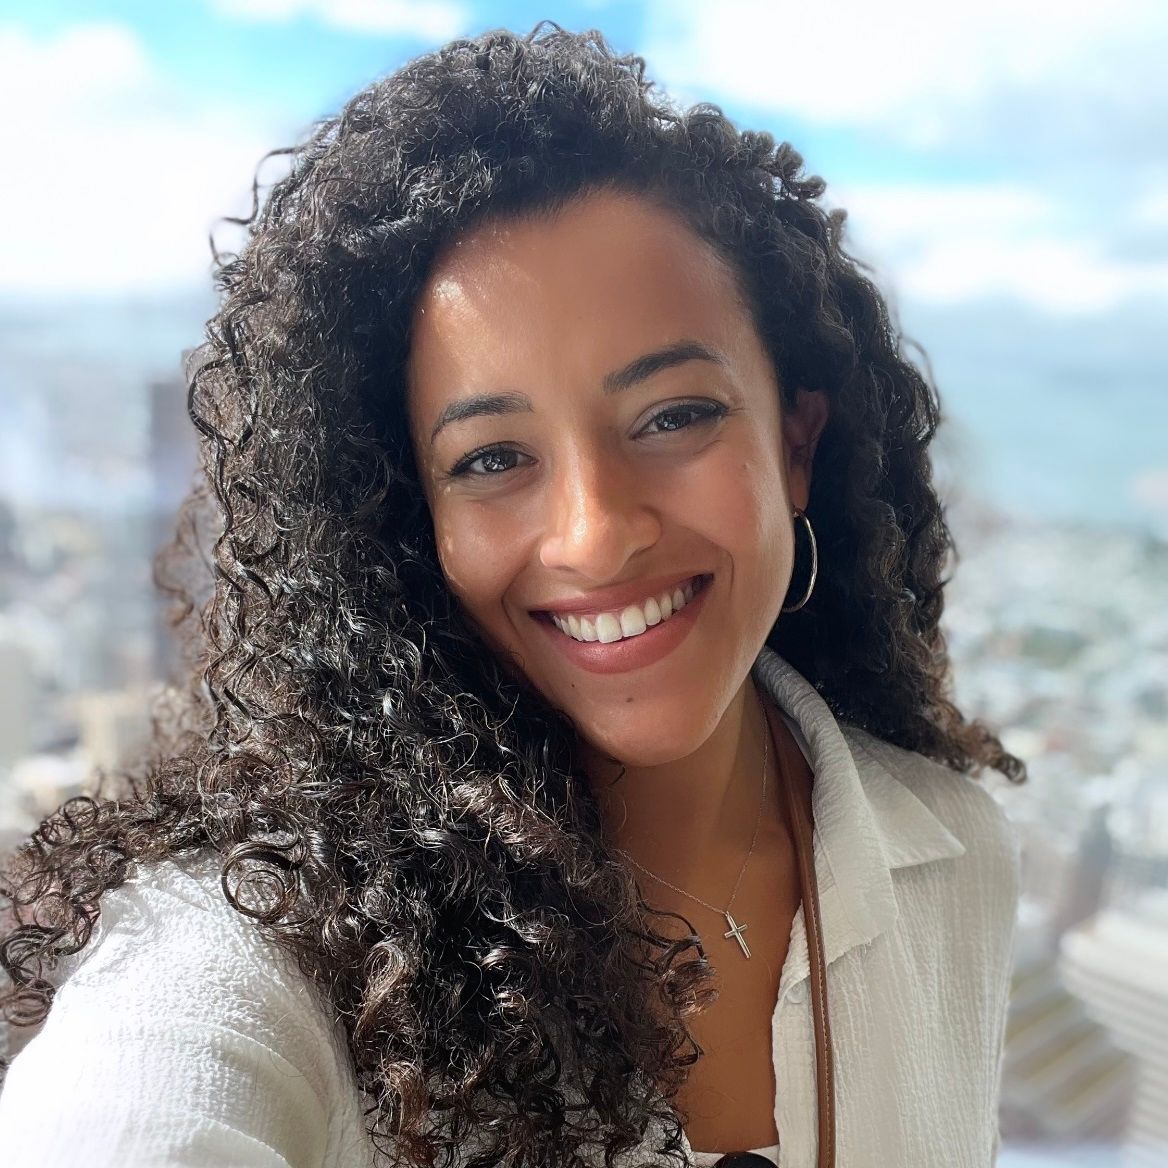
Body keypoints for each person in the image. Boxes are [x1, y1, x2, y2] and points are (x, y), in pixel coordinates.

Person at [0, 22, 1025, 1168]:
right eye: (491, 457)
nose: (594, 534)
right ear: (406, 517)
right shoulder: (267, 945)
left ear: (795, 445)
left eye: (675, 415)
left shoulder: (956, 860)